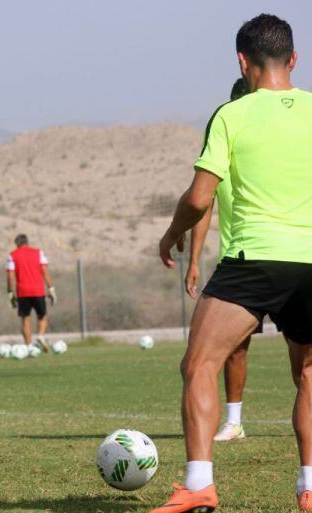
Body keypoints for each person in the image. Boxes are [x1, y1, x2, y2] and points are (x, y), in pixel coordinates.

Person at [155, 14, 312, 512]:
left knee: (200, 363)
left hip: (256, 259)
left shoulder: (232, 114)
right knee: (309, 373)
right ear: (293, 60)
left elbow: (201, 198)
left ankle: (199, 482)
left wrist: (173, 231)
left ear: (243, 63)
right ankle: (309, 487)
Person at [185, 78, 254, 443]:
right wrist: (195, 260)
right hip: (239, 260)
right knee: (233, 347)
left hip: (288, 258)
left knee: (302, 358)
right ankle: (234, 421)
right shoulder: (222, 156)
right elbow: (203, 206)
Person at [6, 234, 56, 350]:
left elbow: (10, 275)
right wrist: (51, 288)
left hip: (22, 292)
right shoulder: (39, 253)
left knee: (25, 319)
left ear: (17, 244)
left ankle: (28, 347)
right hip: (38, 290)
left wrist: (10, 293)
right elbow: (44, 270)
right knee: (42, 316)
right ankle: (41, 336)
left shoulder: (12, 255)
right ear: (27, 242)